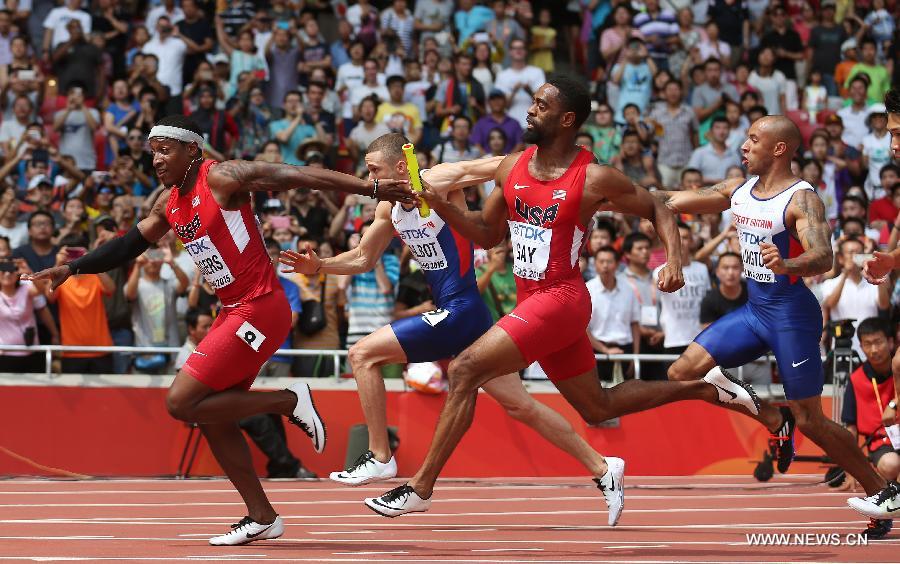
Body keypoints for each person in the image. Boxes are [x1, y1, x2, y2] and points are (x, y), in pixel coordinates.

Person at [364, 76, 760, 517]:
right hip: (532, 299)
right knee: (598, 405)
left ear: (566, 119)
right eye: (532, 102)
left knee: (465, 370)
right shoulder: (510, 167)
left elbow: (657, 206)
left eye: (540, 104)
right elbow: (486, 233)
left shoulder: (593, 178)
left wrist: (674, 260)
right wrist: (442, 205)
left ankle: (420, 488)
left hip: (563, 297)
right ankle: (703, 390)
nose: (530, 110)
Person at [24, 115, 415, 546]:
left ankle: (288, 400)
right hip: (232, 310)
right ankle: (262, 515)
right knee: (209, 412)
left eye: (165, 150)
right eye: (152, 150)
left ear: (192, 150)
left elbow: (296, 175)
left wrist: (372, 188)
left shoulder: (223, 177)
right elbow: (130, 243)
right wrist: (73, 267)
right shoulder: (167, 202)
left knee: (181, 401)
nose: (155, 159)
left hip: (261, 308)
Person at [282, 133, 634, 525]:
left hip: (462, 309)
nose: (369, 178)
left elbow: (499, 165)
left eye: (373, 169)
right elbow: (364, 257)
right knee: (521, 406)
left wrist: (559, 162)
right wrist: (321, 266)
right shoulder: (388, 208)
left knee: (362, 354)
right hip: (465, 317)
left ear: (402, 166)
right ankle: (604, 467)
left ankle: (380, 457)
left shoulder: (442, 178)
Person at [656, 115, 898, 539]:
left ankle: (881, 490)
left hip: (792, 316)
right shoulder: (738, 189)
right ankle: (771, 418)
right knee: (681, 372)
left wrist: (788, 263)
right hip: (755, 312)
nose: (743, 146)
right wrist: (604, 193)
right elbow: (669, 199)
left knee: (811, 419)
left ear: (779, 149)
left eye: (752, 139)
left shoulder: (801, 199)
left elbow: (824, 255)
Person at [840, 318, 899, 500]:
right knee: (891, 464)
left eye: (878, 342)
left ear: (890, 342)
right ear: (861, 347)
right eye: (867, 344)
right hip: (881, 442)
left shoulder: (898, 367)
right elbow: (851, 429)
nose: (874, 350)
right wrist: (852, 471)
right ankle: (885, 476)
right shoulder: (856, 379)